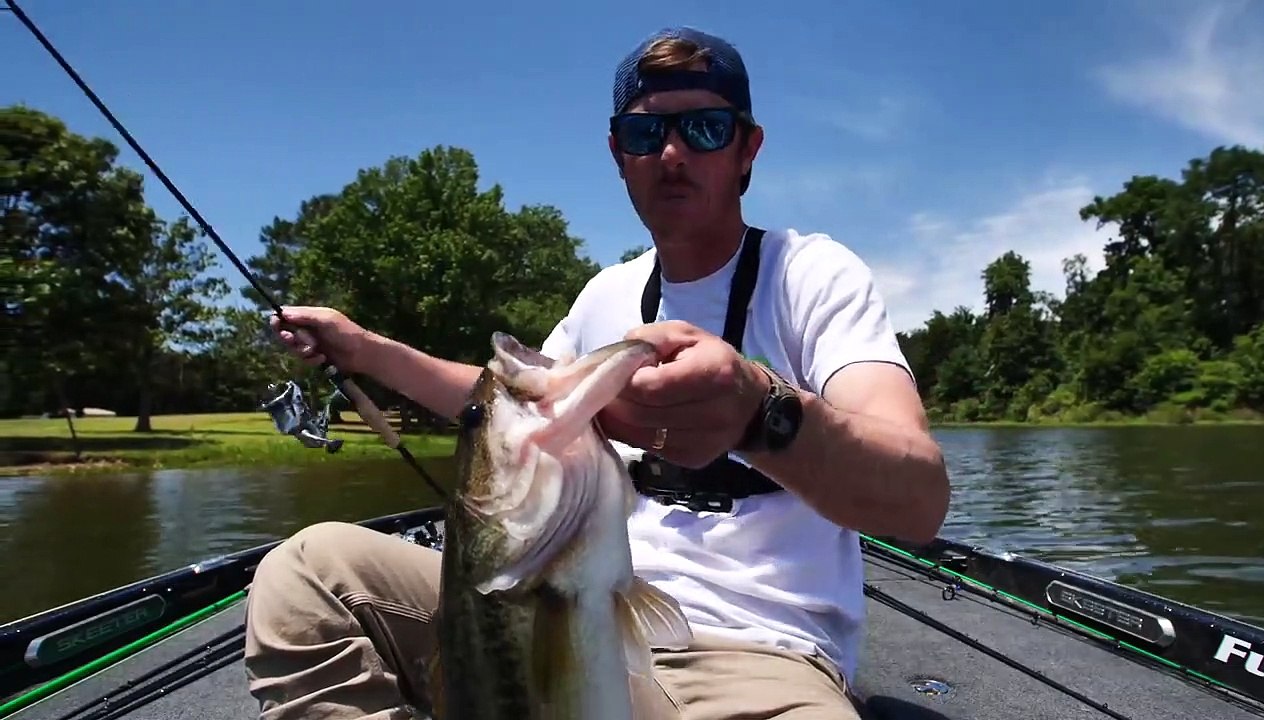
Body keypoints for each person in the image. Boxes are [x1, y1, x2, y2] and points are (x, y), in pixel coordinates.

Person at [243, 25, 950, 720]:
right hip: (578, 602)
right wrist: (363, 348)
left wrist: (758, 410)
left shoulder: (812, 275)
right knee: (305, 575)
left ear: (747, 148)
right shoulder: (606, 295)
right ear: (619, 153)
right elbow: (508, 413)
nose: (672, 153)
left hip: (758, 654)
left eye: (703, 128)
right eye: (647, 135)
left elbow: (919, 499)